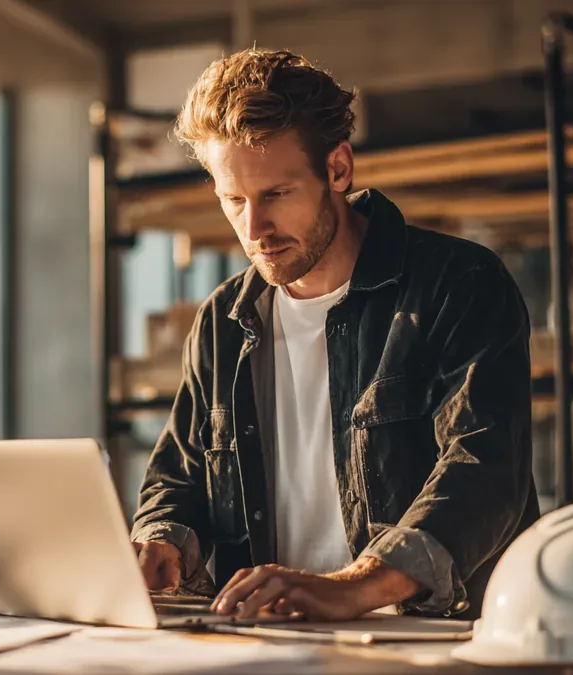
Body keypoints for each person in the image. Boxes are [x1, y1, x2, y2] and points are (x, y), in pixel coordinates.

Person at [129, 48, 541, 622]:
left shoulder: (458, 284)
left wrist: (354, 586)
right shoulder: (222, 320)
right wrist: (162, 541)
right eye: (233, 200)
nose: (254, 230)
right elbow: (179, 478)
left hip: (434, 643)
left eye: (276, 194)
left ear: (338, 169)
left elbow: (486, 470)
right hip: (270, 644)